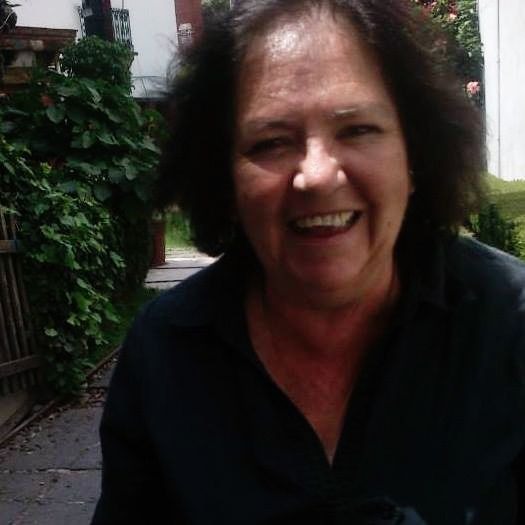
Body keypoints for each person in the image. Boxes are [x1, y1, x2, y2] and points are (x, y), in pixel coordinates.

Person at [91, 1, 525, 523]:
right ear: (224, 179)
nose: (317, 176)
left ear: (415, 154)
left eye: (357, 129)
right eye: (271, 142)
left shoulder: (509, 327)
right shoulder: (166, 353)